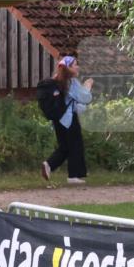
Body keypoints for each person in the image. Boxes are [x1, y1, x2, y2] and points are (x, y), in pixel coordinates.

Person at [41, 55, 93, 184]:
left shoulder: (56, 81)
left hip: (58, 119)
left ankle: (49, 165)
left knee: (65, 146)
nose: (78, 67)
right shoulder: (71, 82)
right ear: (69, 68)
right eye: (75, 65)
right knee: (76, 145)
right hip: (69, 119)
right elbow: (85, 98)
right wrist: (88, 86)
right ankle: (74, 176)